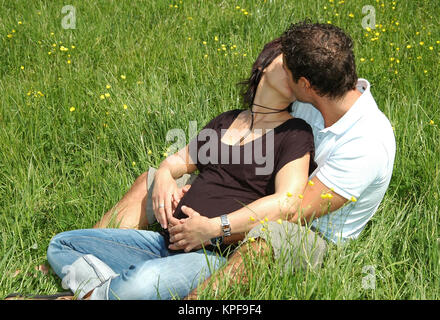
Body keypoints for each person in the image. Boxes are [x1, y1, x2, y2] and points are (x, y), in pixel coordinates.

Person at [43, 37, 319, 300]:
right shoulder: (226, 120)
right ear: (263, 65)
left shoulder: (295, 133)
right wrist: (164, 175)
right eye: (287, 64)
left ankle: (95, 288)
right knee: (63, 244)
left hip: (210, 254)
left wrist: (212, 228)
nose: (293, 72)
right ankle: (108, 290)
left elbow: (287, 200)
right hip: (162, 243)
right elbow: (178, 161)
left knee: (143, 280)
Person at [185, 21, 396, 298]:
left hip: (311, 232)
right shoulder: (317, 97)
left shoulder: (367, 142)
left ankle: (194, 302)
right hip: (264, 190)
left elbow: (292, 212)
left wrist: (215, 226)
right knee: (154, 180)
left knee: (265, 241)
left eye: (287, 70)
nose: (281, 70)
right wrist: (182, 177)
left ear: (305, 84)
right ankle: (106, 253)